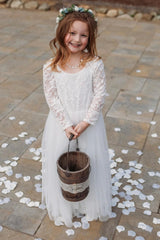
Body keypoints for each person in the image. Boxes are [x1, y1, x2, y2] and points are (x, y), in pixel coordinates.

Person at [41, 5, 112, 227]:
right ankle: (67, 204)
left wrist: (85, 122)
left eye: (83, 35)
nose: (77, 39)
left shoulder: (94, 64)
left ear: (89, 39)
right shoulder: (50, 67)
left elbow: (99, 95)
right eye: (72, 33)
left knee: (90, 162)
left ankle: (89, 203)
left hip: (88, 122)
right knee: (63, 162)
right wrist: (65, 124)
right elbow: (52, 98)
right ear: (61, 32)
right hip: (61, 124)